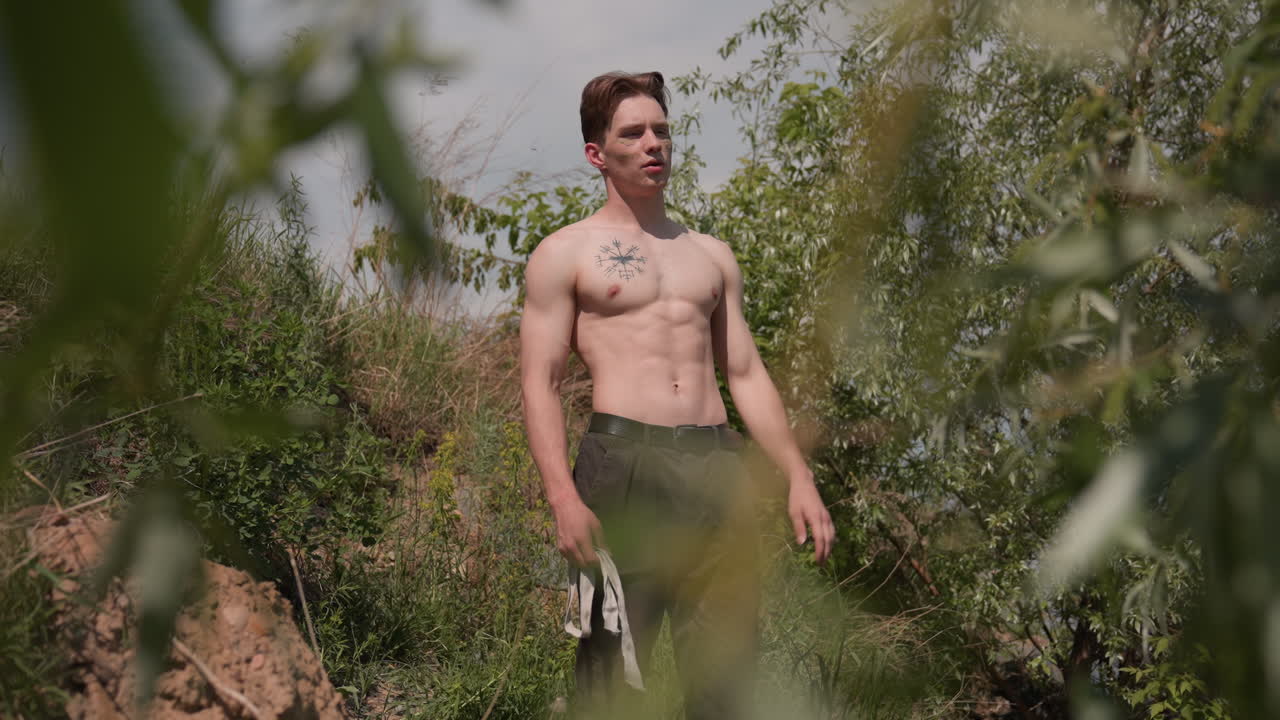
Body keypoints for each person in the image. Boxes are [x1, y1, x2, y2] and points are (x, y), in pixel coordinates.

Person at [519, 70, 834, 719]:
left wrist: (797, 474)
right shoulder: (564, 253)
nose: (653, 143)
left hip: (715, 465)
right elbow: (540, 382)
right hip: (622, 466)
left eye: (661, 130)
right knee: (612, 675)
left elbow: (744, 373)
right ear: (597, 154)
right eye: (633, 133)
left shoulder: (711, 256)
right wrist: (562, 498)